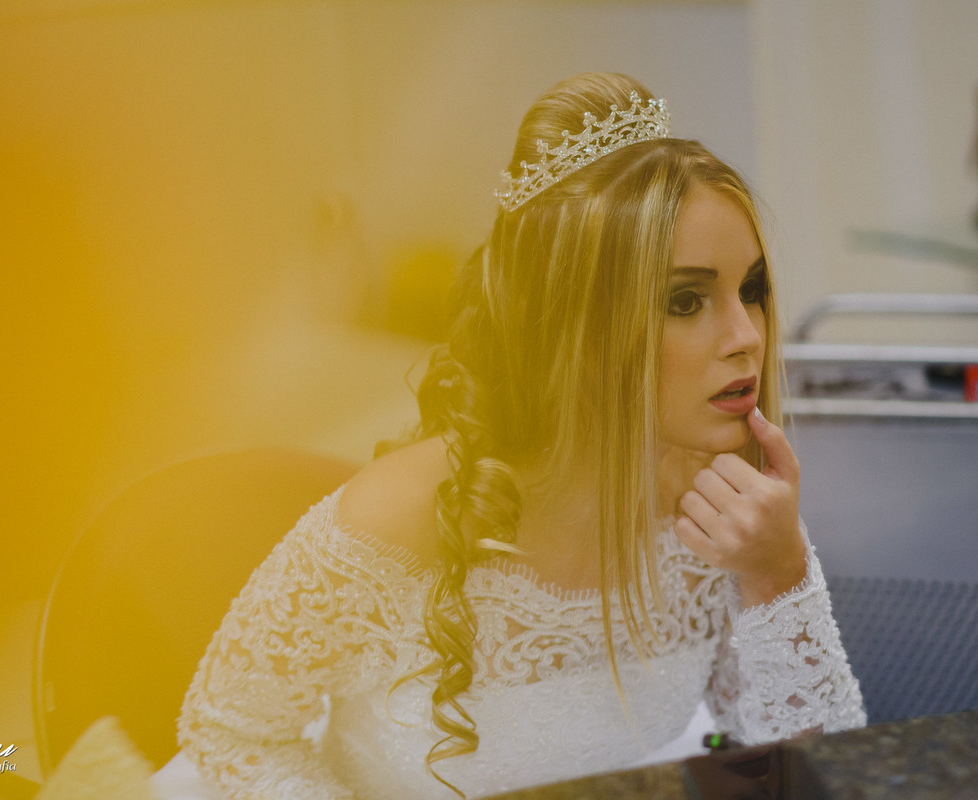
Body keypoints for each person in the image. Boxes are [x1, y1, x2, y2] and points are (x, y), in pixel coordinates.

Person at [172, 72, 866, 800]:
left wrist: (778, 574)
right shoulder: (395, 521)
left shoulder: (717, 502)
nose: (746, 335)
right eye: (684, 301)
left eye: (751, 290)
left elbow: (810, 774)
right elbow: (230, 733)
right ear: (574, 330)